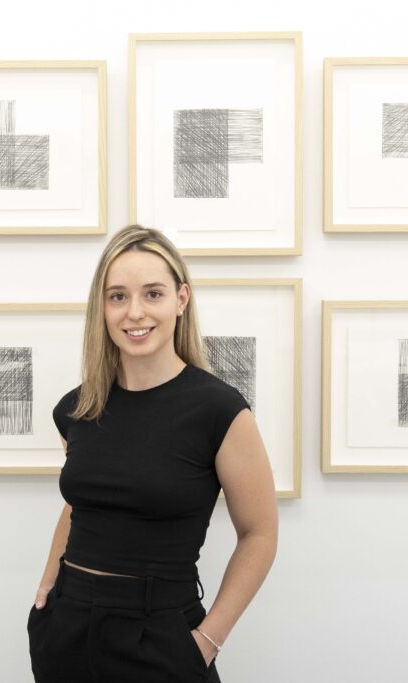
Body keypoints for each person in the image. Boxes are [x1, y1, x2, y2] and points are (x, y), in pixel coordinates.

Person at [27, 225, 278, 683]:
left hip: (160, 634)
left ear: (181, 299)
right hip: (66, 629)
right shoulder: (77, 408)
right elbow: (80, 504)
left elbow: (259, 534)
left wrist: (206, 641)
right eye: (117, 296)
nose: (134, 312)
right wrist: (48, 583)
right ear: (101, 308)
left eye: (153, 294)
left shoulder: (221, 411)